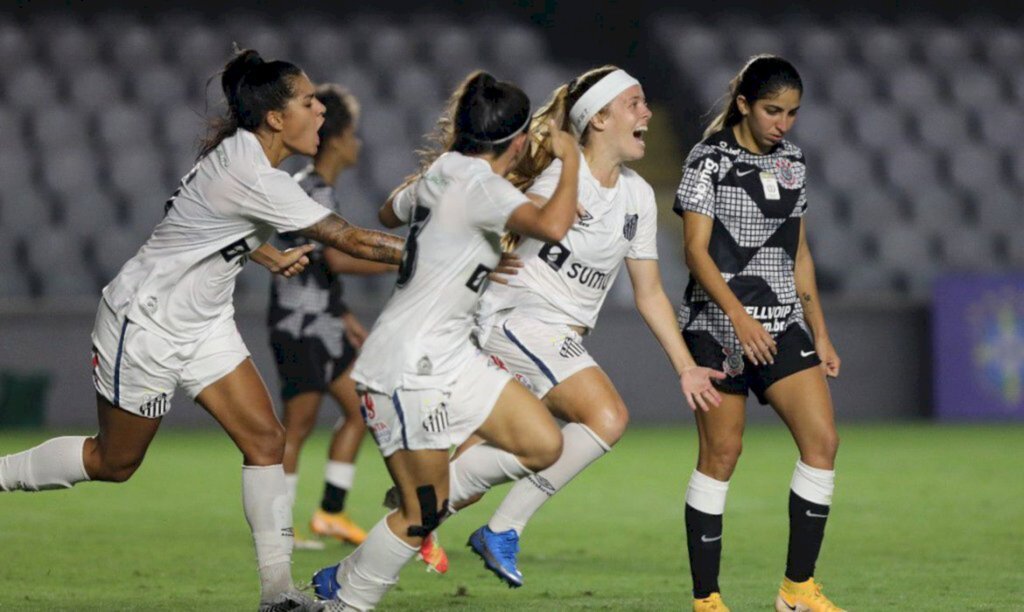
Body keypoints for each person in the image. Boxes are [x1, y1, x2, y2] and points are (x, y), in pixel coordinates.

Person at [0, 48, 405, 612]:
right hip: (146, 323)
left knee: (267, 442)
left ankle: (278, 595)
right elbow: (354, 241)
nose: (321, 114)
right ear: (274, 119)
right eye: (310, 102)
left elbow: (200, 220)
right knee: (113, 463)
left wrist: (262, 255)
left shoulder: (244, 157)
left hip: (204, 323)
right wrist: (440, 255)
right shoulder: (257, 176)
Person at [426, 65, 726, 589]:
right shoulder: (562, 181)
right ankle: (504, 529)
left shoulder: (636, 197)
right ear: (600, 118)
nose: (647, 113)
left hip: (552, 337)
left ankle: (371, 555)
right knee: (606, 416)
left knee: (469, 478)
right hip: (518, 320)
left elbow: (650, 292)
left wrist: (686, 368)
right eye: (635, 103)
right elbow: (508, 216)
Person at [309, 70, 582, 611]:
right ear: (521, 140)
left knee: (543, 443)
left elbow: (391, 211)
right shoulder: (481, 185)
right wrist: (571, 159)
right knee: (422, 515)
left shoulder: (445, 172)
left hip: (453, 355)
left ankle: (347, 571)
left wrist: (454, 245)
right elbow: (551, 226)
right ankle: (344, 599)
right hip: (408, 367)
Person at [674, 55, 843, 612]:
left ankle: (797, 589)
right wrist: (739, 320)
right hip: (717, 326)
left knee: (822, 445)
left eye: (793, 113)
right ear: (744, 104)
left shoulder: (793, 162)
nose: (784, 124)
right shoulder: (709, 159)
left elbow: (797, 252)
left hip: (781, 324)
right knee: (722, 455)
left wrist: (819, 331)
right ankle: (708, 599)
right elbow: (695, 252)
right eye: (774, 111)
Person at [268, 83, 395, 552]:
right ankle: (280, 531)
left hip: (322, 322)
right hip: (299, 327)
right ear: (339, 139)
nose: (358, 143)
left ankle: (330, 514)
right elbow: (338, 259)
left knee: (360, 410)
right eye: (354, 134)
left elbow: (320, 267)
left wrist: (340, 312)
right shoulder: (314, 192)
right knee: (297, 427)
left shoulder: (315, 190)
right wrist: (402, 261)